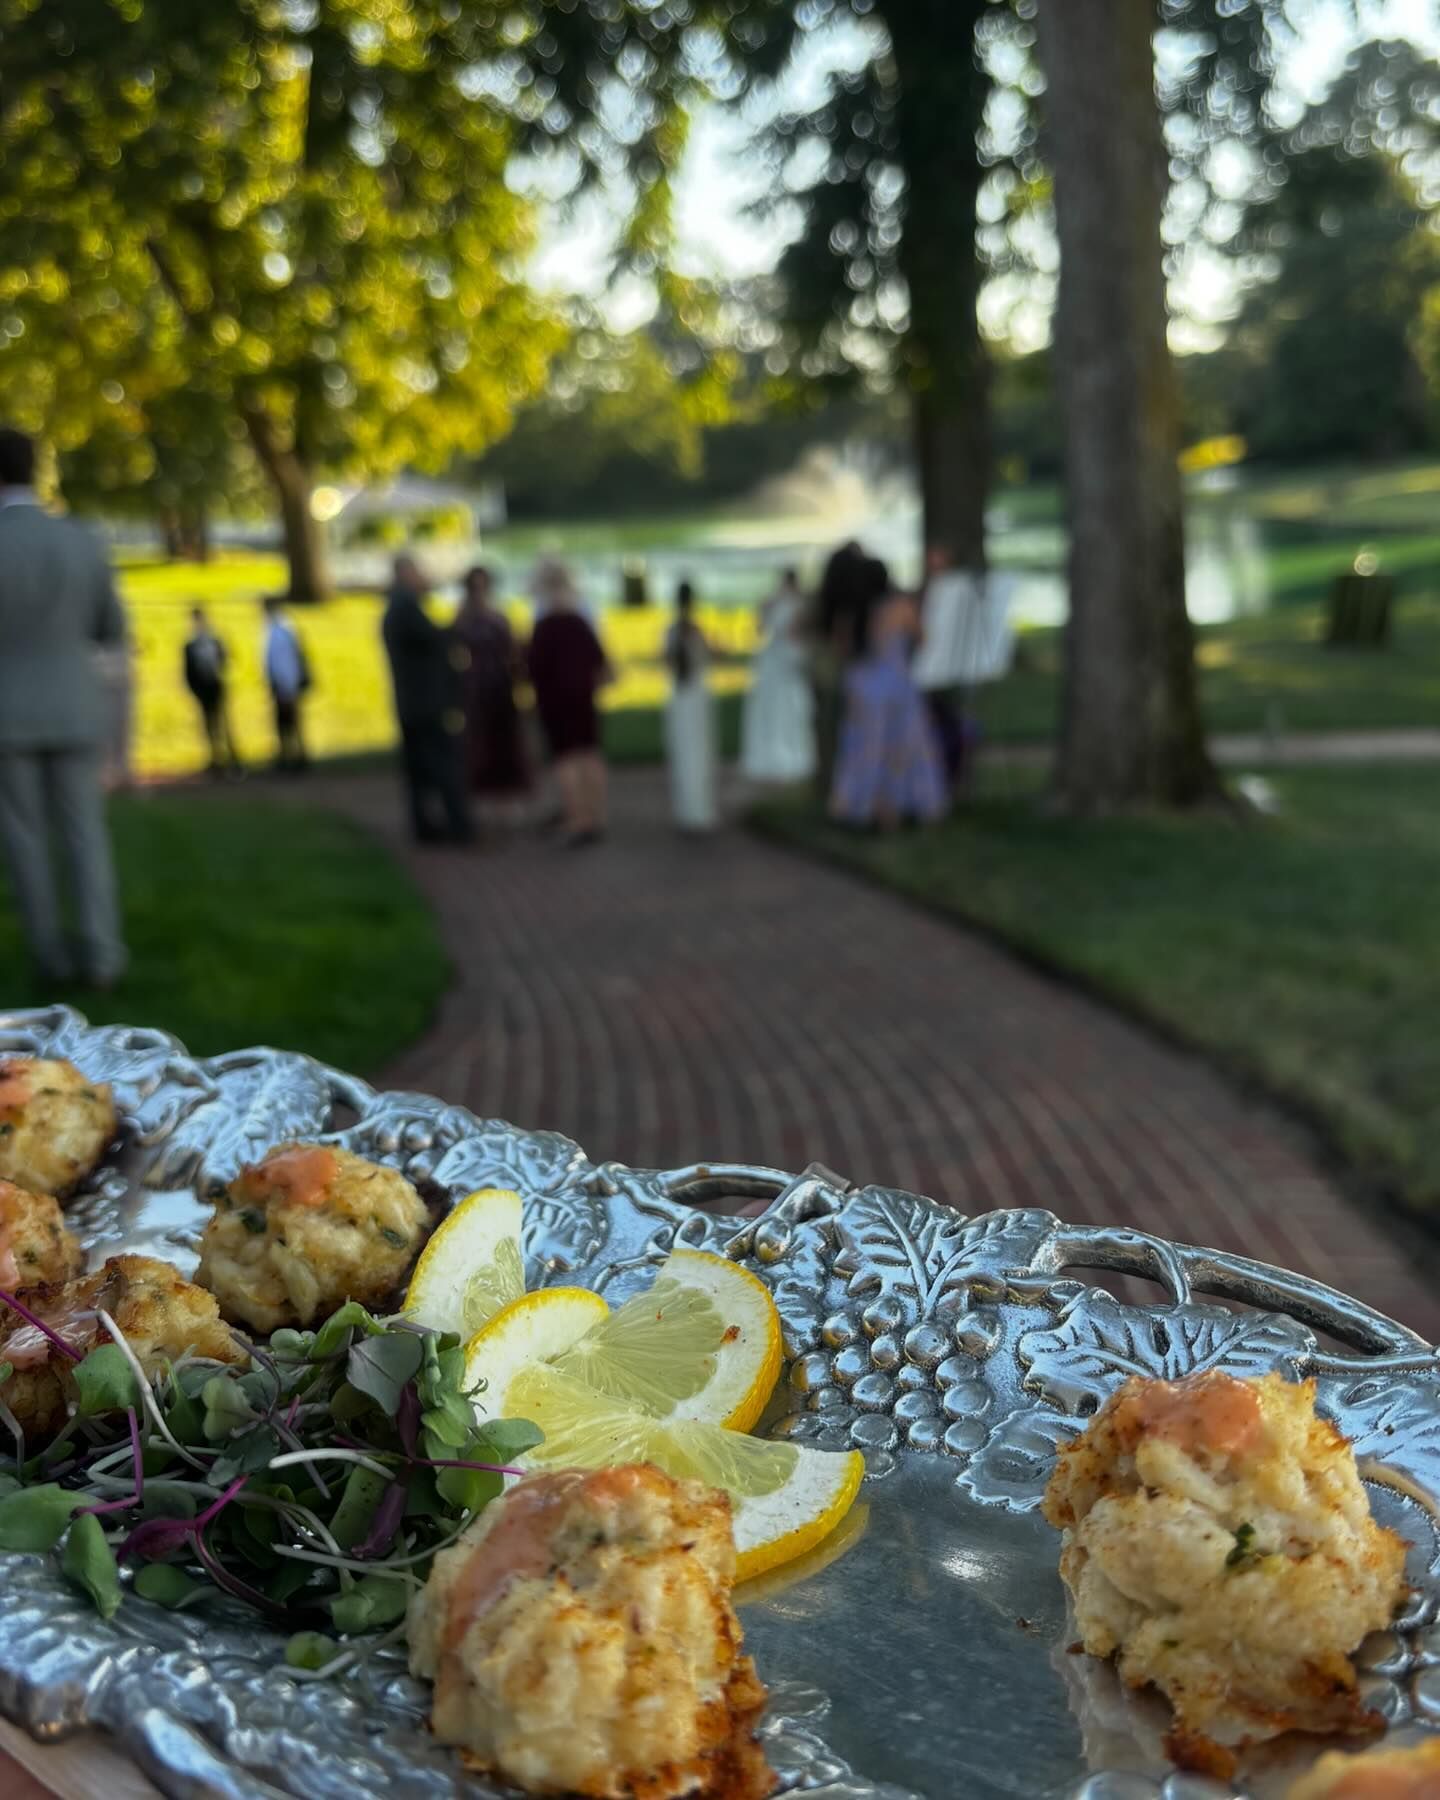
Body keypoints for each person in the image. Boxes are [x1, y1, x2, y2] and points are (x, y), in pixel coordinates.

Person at [0, 427, 128, 988]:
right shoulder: (83, 539)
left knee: (24, 839)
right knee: (85, 836)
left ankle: (49, 958)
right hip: (76, 707)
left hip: (7, 716)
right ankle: (102, 956)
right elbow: (111, 632)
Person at [830, 558, 947, 830]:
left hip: (860, 684)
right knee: (901, 746)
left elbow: (842, 650)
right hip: (895, 683)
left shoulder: (850, 613)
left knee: (863, 748)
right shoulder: (899, 607)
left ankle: (861, 804)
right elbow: (923, 639)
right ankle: (895, 807)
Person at [382, 552, 472, 846]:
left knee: (419, 770)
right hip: (425, 704)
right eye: (418, 572)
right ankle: (458, 826)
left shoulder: (397, 607)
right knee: (441, 764)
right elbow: (434, 640)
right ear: (406, 574)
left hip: (411, 703)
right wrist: (458, 623)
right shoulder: (406, 607)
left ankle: (427, 827)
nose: (424, 579)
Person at [527, 559, 610, 848]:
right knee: (589, 753)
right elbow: (600, 661)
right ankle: (596, 815)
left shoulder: (544, 626)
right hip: (583, 698)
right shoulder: (581, 619)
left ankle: (578, 820)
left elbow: (533, 668)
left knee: (567, 759)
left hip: (556, 702)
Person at [455, 565, 529, 823]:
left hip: (501, 684)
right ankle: (484, 800)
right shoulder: (463, 617)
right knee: (481, 742)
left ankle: (508, 799)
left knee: (505, 741)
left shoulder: (499, 615)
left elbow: (513, 649)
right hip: (477, 687)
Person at [911, 542, 978, 788]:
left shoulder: (956, 588)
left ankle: (956, 775)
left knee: (955, 722)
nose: (933, 565)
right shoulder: (932, 589)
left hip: (953, 668)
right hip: (932, 668)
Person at [741, 566, 815, 785]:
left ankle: (783, 755)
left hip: (781, 660)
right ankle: (780, 755)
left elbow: (770, 629)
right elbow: (766, 629)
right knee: (779, 708)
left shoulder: (788, 604)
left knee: (783, 708)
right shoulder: (790, 604)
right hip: (778, 660)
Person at [663, 580, 717, 833]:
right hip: (696, 695)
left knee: (684, 751)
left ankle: (688, 809)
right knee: (699, 751)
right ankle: (699, 809)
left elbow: (666, 662)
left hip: (681, 696)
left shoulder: (672, 630)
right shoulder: (695, 630)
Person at [183, 606, 240, 777]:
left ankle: (232, 758)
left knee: (223, 723)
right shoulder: (191, 644)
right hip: (203, 689)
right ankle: (215, 758)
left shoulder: (213, 639)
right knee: (209, 725)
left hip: (216, 686)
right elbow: (188, 670)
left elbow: (224, 659)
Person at [262, 596, 309, 773]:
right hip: (281, 685)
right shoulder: (273, 628)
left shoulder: (281, 630)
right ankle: (290, 757)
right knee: (286, 724)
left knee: (291, 723)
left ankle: (296, 758)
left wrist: (287, 686)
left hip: (286, 685)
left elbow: (285, 662)